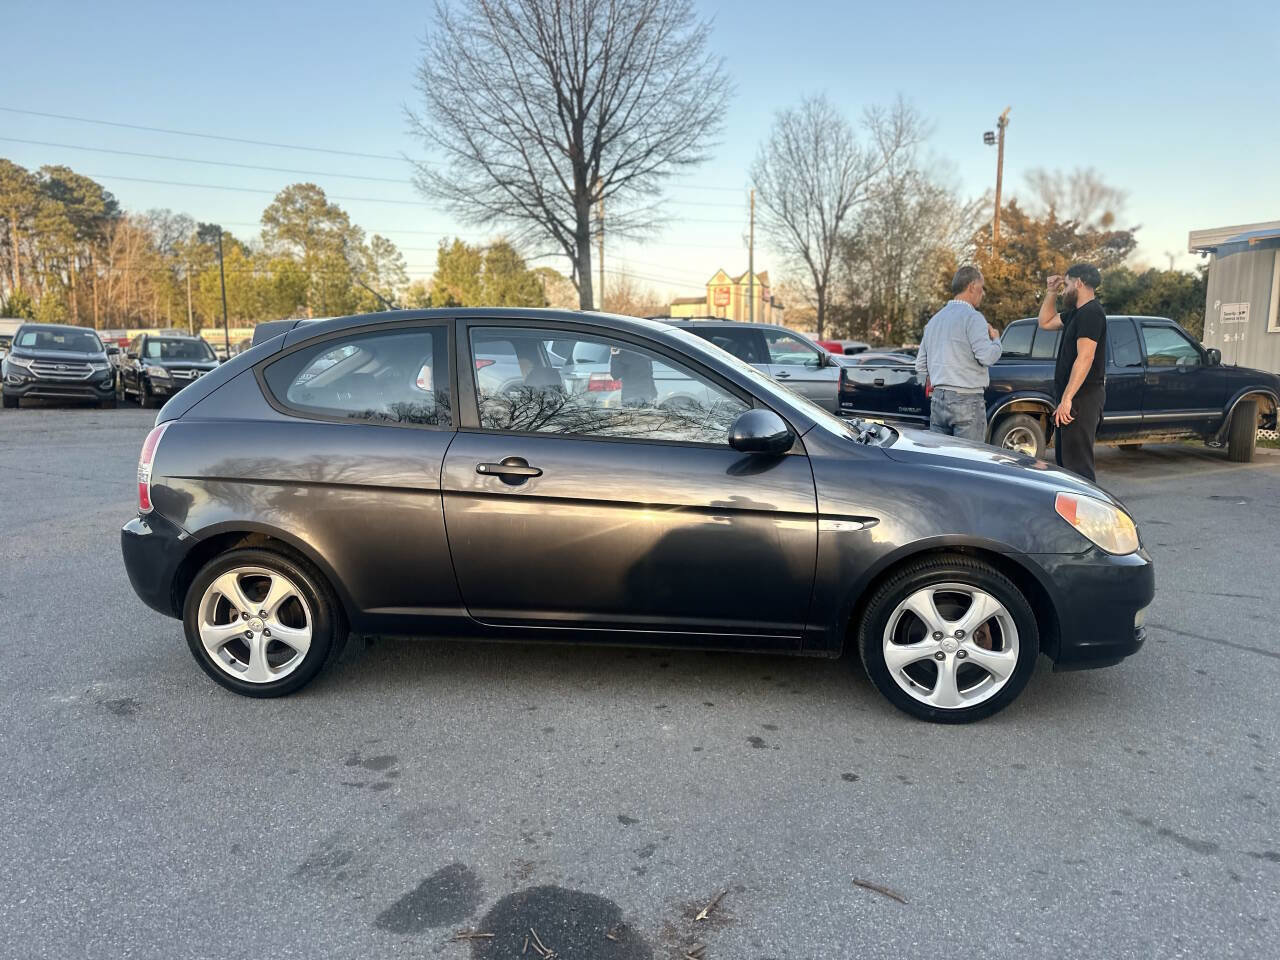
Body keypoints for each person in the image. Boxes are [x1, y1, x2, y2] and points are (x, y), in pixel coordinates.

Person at [916, 265, 1002, 442]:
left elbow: (921, 365)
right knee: (969, 457)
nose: (983, 293)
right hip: (967, 400)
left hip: (938, 400)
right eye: (982, 287)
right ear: (972, 287)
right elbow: (987, 357)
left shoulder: (934, 321)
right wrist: (996, 340)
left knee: (941, 457)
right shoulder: (973, 318)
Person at [1038, 263, 1106, 482]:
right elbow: (1045, 322)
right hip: (1070, 398)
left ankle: (1085, 505)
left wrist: (1067, 398)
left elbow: (1086, 357)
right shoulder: (1076, 314)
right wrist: (1051, 291)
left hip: (1081, 399)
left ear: (1079, 283)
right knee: (1066, 465)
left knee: (1078, 469)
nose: (1064, 290)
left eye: (1066, 285)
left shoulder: (1091, 313)